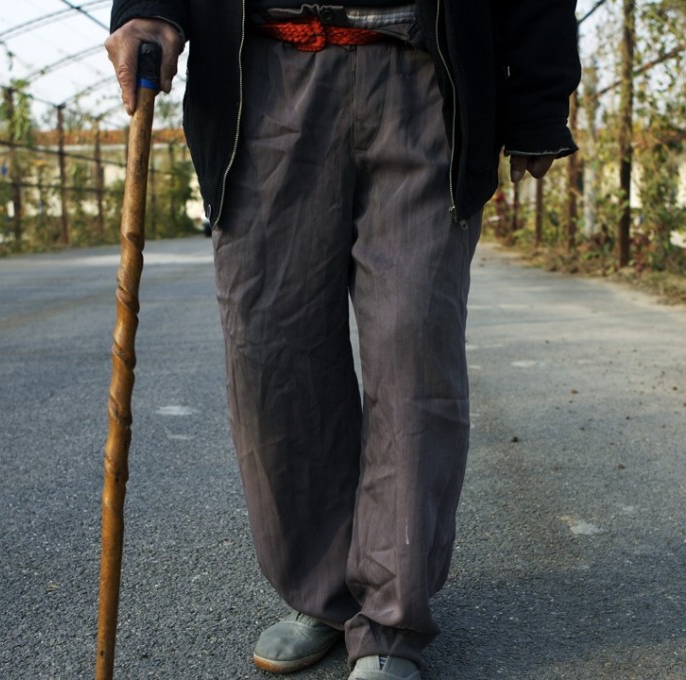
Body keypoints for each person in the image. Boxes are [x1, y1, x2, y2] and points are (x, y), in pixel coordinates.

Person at [105, 3, 579, 678]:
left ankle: (392, 620)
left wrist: (538, 95)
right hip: (263, 81)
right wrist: (150, 9)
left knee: (413, 348)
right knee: (271, 353)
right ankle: (323, 595)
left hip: (425, 74)